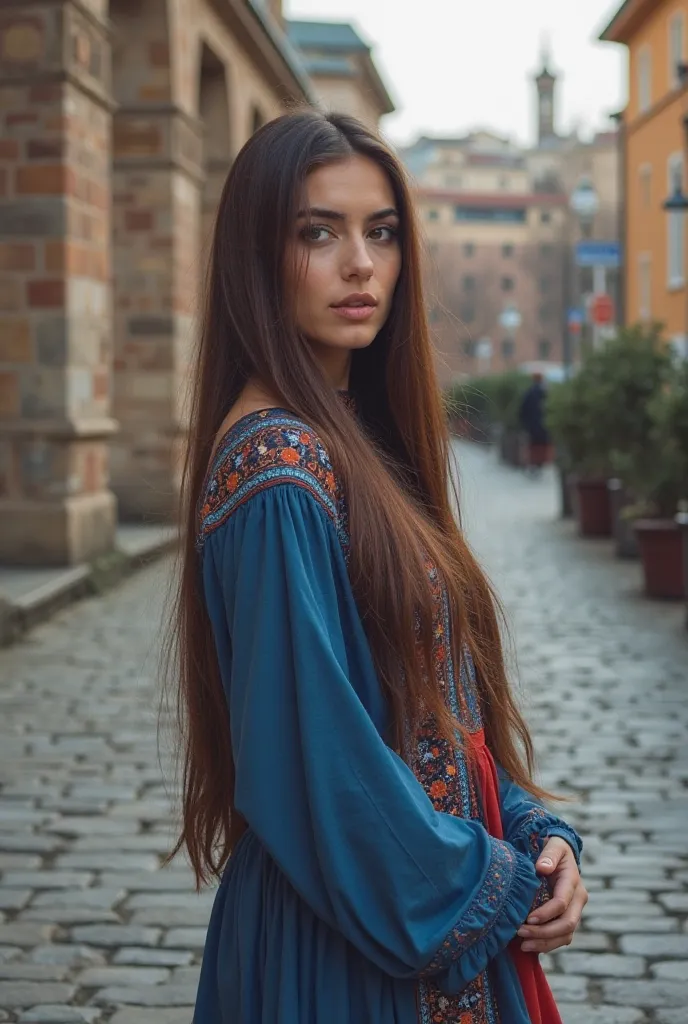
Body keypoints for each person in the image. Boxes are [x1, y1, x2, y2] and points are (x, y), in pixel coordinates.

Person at [167, 110, 586, 1024]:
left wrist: (532, 830)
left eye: (381, 232)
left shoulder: (350, 442)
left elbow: (437, 710)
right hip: (345, 952)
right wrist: (493, 882)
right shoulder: (279, 470)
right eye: (318, 232)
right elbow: (315, 760)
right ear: (255, 254)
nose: (361, 264)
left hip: (414, 912)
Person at [519, 373, 552, 475]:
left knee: (532, 445)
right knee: (542, 445)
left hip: (532, 425)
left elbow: (523, 410)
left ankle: (533, 464)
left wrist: (524, 423)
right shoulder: (545, 393)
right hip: (543, 424)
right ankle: (540, 464)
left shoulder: (529, 392)